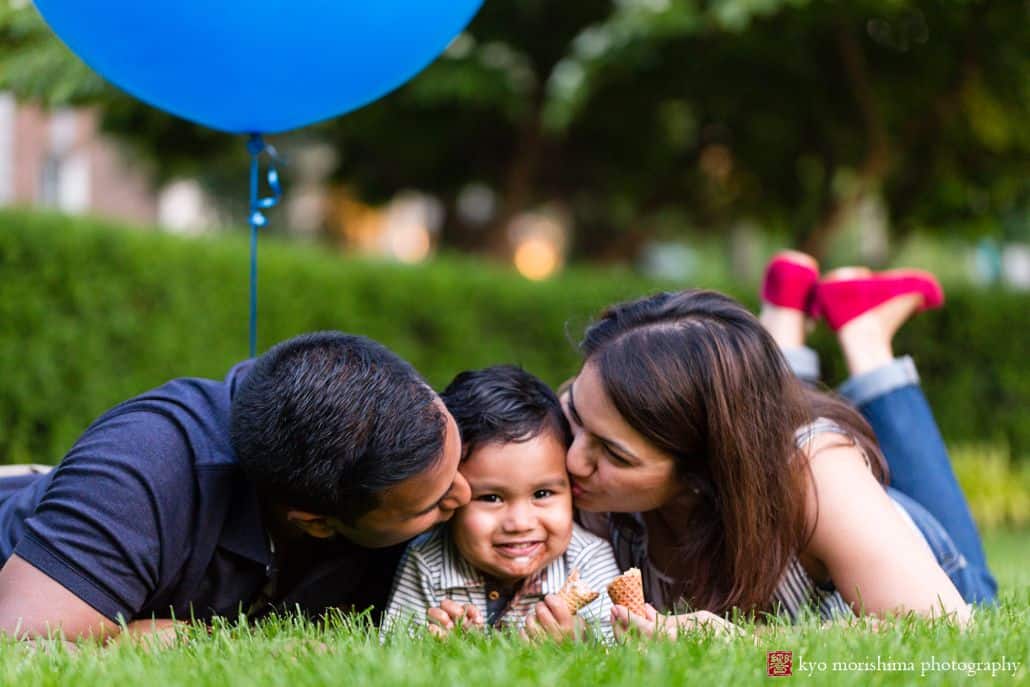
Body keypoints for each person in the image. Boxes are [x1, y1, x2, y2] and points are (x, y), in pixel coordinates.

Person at [552, 252, 996, 639]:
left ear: (705, 469)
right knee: (751, 402)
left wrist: (745, 645)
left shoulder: (819, 479)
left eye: (613, 455)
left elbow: (941, 628)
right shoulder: (602, 407)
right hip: (758, 447)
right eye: (575, 415)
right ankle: (784, 316)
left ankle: (865, 332)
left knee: (981, 592)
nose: (571, 460)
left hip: (903, 545)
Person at [0, 331, 471, 643]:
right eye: (433, 504)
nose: (465, 495)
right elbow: (19, 647)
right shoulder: (141, 474)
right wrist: (144, 640)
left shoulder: (398, 453)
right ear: (317, 523)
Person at [383, 365, 621, 641]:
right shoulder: (427, 562)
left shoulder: (588, 559)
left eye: (542, 494)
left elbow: (620, 649)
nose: (520, 523)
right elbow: (393, 648)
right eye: (491, 498)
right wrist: (442, 644)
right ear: (451, 496)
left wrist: (578, 641)